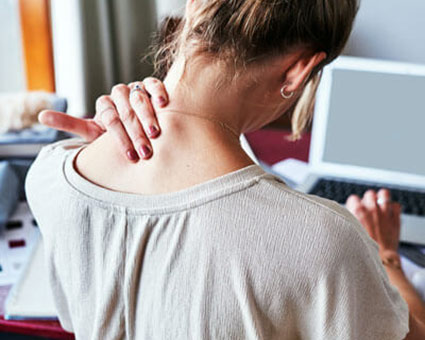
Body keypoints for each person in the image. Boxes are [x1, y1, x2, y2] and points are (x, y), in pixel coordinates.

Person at [24, 0, 425, 338]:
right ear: (299, 70)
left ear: (195, 8)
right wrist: (386, 256)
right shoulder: (327, 242)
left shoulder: (50, 176)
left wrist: (98, 147)